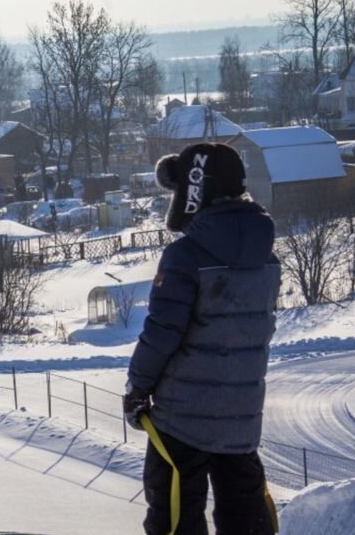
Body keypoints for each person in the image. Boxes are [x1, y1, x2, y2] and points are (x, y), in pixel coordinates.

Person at [124, 143, 280, 535]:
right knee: (247, 517)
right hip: (242, 422)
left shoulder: (185, 257)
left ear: (194, 192)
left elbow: (161, 334)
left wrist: (137, 389)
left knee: (174, 518)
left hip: (182, 420)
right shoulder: (267, 258)